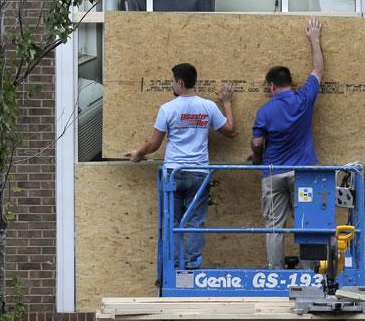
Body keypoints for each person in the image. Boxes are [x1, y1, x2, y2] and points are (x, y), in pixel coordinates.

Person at [125, 63, 236, 269]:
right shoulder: (208, 107)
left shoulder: (168, 109)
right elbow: (230, 131)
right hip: (198, 174)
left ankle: (176, 265)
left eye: (172, 81)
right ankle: (193, 264)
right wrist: (227, 102)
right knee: (195, 222)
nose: (171, 84)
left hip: (173, 173)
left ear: (180, 82)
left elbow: (154, 144)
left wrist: (138, 154)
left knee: (173, 223)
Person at [250, 17, 324, 269]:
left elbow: (257, 143)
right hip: (302, 173)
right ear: (290, 83)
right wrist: (314, 39)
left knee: (274, 225)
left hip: (273, 173)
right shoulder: (304, 98)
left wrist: (257, 160)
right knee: (306, 221)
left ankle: (276, 271)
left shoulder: (264, 112)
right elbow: (318, 70)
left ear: (271, 87)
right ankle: (308, 271)